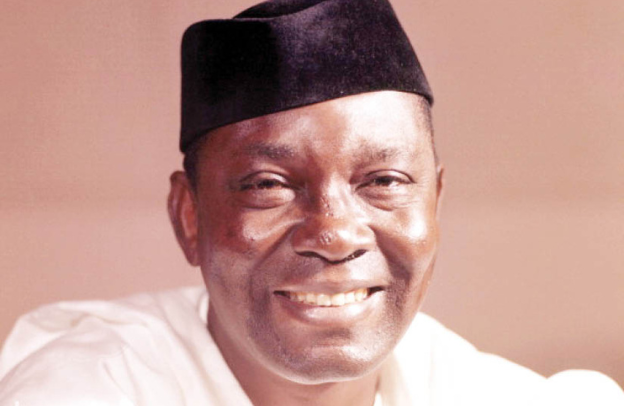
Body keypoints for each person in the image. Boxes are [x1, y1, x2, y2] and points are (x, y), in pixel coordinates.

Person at [0, 0, 622, 405]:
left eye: (383, 181)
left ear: (435, 202)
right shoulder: (87, 389)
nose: (334, 233)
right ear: (189, 217)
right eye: (269, 184)